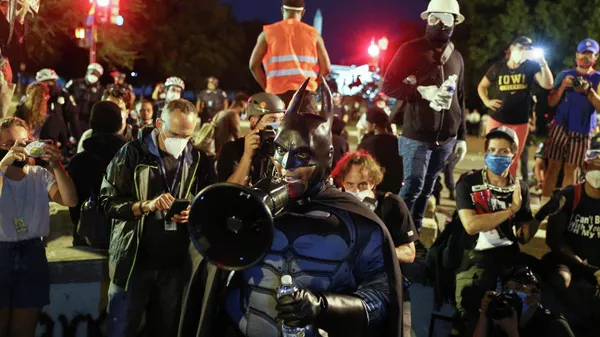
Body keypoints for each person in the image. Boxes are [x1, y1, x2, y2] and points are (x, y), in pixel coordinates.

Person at [179, 78, 403, 337]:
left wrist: (324, 307)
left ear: (327, 157)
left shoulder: (358, 222)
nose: (286, 165)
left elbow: (383, 296)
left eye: (303, 156)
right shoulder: (250, 206)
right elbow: (210, 263)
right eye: (280, 151)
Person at [99, 99, 215, 337]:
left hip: (174, 265)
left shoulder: (198, 159)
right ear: (159, 123)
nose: (181, 142)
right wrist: (144, 206)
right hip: (133, 263)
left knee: (165, 330)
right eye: (175, 134)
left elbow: (211, 203)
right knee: (120, 329)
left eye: (187, 137)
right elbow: (106, 202)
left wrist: (195, 213)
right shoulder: (132, 153)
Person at [454, 126, 552, 335]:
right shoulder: (469, 182)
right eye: (493, 150)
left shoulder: (520, 188)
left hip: (509, 256)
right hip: (476, 257)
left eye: (503, 151)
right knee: (471, 308)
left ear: (514, 152)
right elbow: (471, 226)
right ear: (486, 151)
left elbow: (523, 236)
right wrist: (510, 210)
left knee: (540, 294)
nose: (497, 156)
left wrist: (541, 215)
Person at [382, 0, 468, 232]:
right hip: (416, 135)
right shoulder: (410, 49)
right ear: (426, 20)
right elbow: (388, 85)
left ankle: (415, 233)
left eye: (446, 19)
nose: (440, 24)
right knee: (411, 187)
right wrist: (421, 91)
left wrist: (461, 137)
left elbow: (461, 98)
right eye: (434, 18)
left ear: (455, 23)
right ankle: (392, 235)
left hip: (446, 140)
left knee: (428, 190)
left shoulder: (457, 58)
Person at [0, 117, 77, 337]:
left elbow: (70, 200)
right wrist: (3, 165)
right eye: (10, 143)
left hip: (32, 254)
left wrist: (57, 164)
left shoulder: (39, 176)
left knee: (23, 331)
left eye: (24, 142)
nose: (19, 148)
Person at [331, 149, 418, 337]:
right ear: (342, 183)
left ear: (373, 181)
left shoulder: (391, 204)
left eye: (362, 184)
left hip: (382, 282)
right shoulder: (335, 205)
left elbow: (410, 253)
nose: (355, 191)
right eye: (350, 184)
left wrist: (380, 252)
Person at [477, 36, 554, 177]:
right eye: (520, 48)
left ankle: (507, 191)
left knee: (512, 158)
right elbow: (482, 86)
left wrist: (543, 63)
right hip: (497, 118)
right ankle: (489, 187)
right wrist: (487, 101)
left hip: (519, 122)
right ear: (512, 48)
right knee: (492, 155)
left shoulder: (530, 67)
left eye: (526, 50)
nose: (522, 52)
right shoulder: (498, 67)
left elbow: (548, 84)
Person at [543, 149, 600, 336]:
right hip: (570, 263)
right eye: (595, 166)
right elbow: (554, 239)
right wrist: (584, 265)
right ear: (585, 167)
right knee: (561, 280)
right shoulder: (569, 195)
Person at [542, 39, 600, 198]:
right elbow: (551, 102)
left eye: (590, 54)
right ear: (576, 55)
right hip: (560, 127)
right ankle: (544, 203)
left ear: (596, 57)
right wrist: (562, 86)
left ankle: (565, 205)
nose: (586, 57)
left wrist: (589, 91)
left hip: (582, 130)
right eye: (583, 53)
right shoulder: (565, 75)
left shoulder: (598, 78)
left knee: (571, 168)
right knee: (552, 166)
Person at [249, 0, 331, 110]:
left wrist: (267, 87)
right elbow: (326, 69)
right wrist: (313, 86)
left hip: (276, 95)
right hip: (305, 95)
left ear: (282, 10)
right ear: (302, 13)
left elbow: (253, 65)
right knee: (305, 127)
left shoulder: (267, 33)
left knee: (274, 127)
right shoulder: (314, 35)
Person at [68, 101, 127, 246]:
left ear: (92, 123)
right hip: (124, 237)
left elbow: (72, 204)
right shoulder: (132, 159)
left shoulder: (78, 161)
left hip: (86, 237)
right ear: (120, 124)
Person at [473, 266, 574, 337]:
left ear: (536, 295)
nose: (511, 294)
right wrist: (484, 315)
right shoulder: (500, 317)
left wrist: (512, 333)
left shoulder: (554, 326)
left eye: (518, 289)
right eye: (506, 290)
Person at [217, 92, 285, 184]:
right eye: (272, 120)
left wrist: (276, 155)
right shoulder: (232, 149)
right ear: (254, 121)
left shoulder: (285, 149)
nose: (278, 125)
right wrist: (247, 155)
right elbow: (230, 191)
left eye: (281, 119)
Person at [358, 106, 404, 194]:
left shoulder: (369, 142)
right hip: (395, 187)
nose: (366, 126)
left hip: (375, 188)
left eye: (367, 123)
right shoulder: (396, 140)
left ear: (374, 125)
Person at [15, 82, 68, 148]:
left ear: (27, 95)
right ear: (47, 97)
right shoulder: (52, 118)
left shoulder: (19, 113)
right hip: (43, 154)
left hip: (20, 152)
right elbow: (63, 140)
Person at [35, 68, 77, 145]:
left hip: (60, 137)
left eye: (52, 81)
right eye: (46, 81)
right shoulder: (33, 96)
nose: (50, 84)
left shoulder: (63, 95)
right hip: (37, 137)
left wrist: (76, 137)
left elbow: (72, 117)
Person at [65, 63, 105, 137]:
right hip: (74, 117)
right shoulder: (75, 83)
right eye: (92, 72)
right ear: (87, 72)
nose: (93, 75)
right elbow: (64, 92)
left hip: (89, 119)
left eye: (96, 74)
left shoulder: (101, 90)